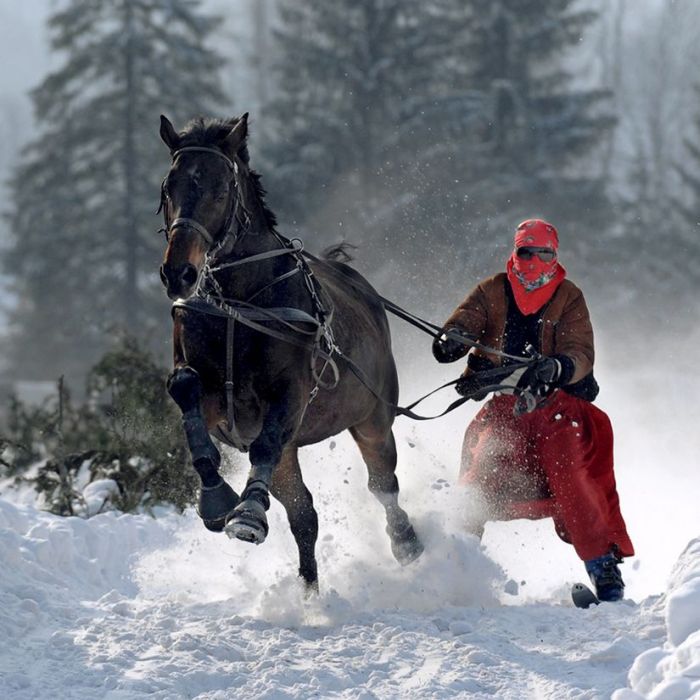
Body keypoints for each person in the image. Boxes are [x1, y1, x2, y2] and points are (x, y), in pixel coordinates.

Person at [432, 218, 634, 602]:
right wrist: (453, 339)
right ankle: (454, 567)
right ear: (515, 252)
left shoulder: (569, 295)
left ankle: (602, 570)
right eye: (527, 251)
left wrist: (558, 367)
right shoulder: (492, 290)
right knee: (477, 478)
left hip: (556, 410)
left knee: (572, 480)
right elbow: (464, 323)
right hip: (504, 412)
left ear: (555, 255)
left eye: (544, 253)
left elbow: (581, 351)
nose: (534, 261)